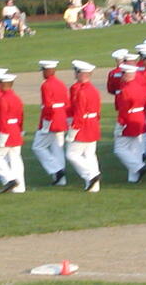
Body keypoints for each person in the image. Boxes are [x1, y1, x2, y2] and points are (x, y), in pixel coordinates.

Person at [32, 59, 69, 185]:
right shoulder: (61, 84)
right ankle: (61, 180)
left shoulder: (46, 85)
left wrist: (46, 124)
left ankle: (57, 170)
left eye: (43, 70)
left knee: (38, 147)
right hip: (61, 118)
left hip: (51, 120)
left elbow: (48, 106)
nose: (42, 73)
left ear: (47, 71)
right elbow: (66, 103)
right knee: (57, 148)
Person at [66, 60, 101, 192]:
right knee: (89, 155)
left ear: (81, 74)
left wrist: (73, 131)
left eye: (76, 71)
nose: (74, 73)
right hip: (92, 124)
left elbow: (79, 113)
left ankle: (91, 176)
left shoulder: (82, 92)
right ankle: (94, 186)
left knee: (72, 154)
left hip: (83, 126)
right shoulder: (93, 90)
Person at [0, 73, 25, 193]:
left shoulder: (3, 99)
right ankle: (20, 187)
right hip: (15, 130)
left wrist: (2, 138)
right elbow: (20, 116)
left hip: (7, 132)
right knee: (15, 159)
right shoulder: (17, 98)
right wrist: (20, 130)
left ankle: (10, 179)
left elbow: (3, 119)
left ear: (2, 84)